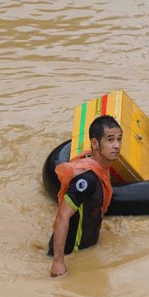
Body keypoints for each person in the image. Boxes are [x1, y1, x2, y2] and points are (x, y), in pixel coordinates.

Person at [49, 115, 123, 277]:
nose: (116, 145)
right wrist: (58, 261)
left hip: (88, 250)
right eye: (110, 140)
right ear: (95, 143)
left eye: (119, 139)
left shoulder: (102, 168)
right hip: (72, 253)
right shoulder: (86, 179)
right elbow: (63, 216)